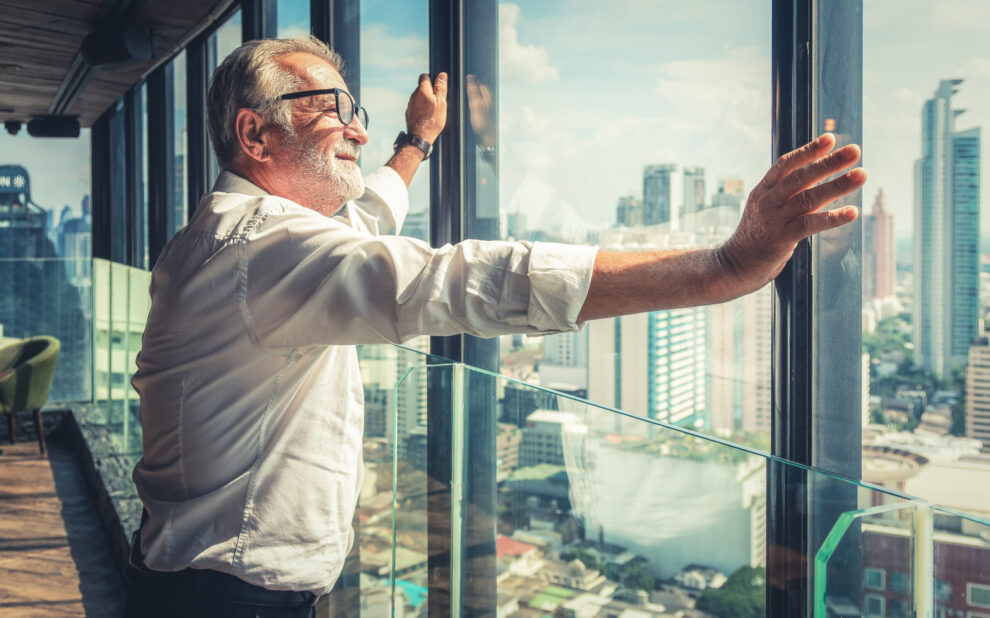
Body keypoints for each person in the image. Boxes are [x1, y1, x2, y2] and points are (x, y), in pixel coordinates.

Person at [124, 36, 866, 617]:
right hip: (226, 600)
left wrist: (415, 143)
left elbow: (365, 219)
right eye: (330, 109)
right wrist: (724, 266)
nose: (354, 129)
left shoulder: (236, 241)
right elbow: (457, 277)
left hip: (204, 585)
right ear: (254, 134)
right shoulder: (259, 249)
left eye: (357, 110)